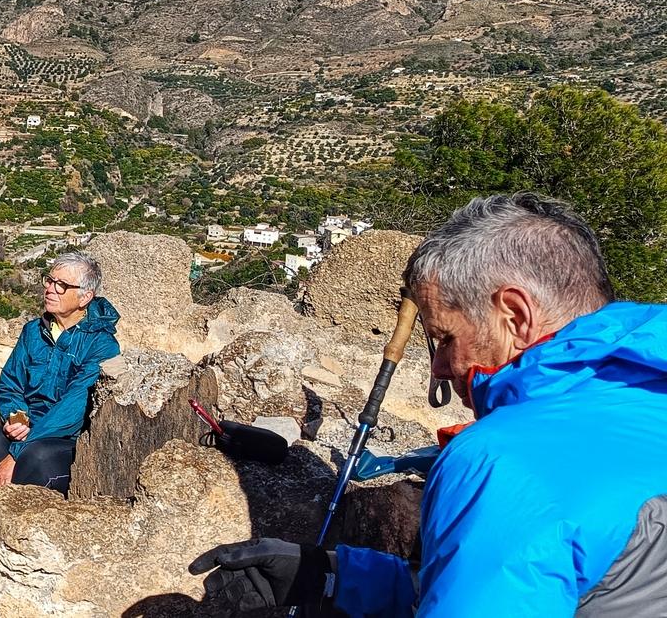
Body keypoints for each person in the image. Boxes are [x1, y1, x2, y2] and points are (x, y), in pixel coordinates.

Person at [189, 193, 667, 617]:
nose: (438, 367)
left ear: (516, 316)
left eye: (445, 338)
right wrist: (328, 576)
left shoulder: (501, 462)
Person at [0, 251, 121, 559]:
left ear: (85, 297)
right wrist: (17, 418)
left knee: (36, 457)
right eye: (49, 280)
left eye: (62, 285)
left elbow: (72, 410)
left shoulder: (101, 344)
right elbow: (11, 382)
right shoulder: (35, 331)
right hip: (31, 421)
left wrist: (17, 452)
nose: (50, 289)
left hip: (64, 434)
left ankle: (0, 521)